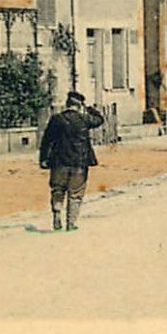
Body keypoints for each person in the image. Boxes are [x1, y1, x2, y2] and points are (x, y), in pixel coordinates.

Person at [39, 91, 105, 232]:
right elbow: (99, 120)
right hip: (79, 164)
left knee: (57, 189)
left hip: (59, 162)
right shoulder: (84, 119)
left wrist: (43, 159)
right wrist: (90, 109)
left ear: (66, 105)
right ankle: (71, 223)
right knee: (75, 194)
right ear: (79, 105)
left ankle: (57, 212)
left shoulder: (57, 119)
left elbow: (46, 141)